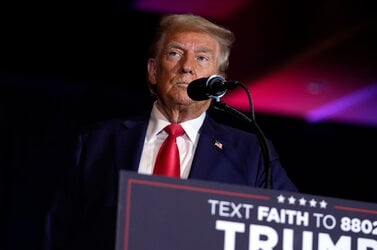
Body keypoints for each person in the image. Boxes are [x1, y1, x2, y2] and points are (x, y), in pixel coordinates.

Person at [43, 13, 298, 250]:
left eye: (202, 58)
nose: (187, 67)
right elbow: (60, 231)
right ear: (153, 71)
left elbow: (293, 226)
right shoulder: (97, 142)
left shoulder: (251, 154)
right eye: (175, 53)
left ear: (217, 82)